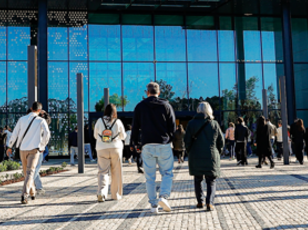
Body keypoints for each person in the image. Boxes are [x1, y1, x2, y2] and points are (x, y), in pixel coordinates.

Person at [131, 81, 176, 213]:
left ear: (147, 92)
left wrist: (134, 142)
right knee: (167, 173)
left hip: (147, 145)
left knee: (150, 177)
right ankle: (163, 196)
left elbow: (135, 127)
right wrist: (170, 139)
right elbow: (172, 126)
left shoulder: (140, 107)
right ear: (159, 92)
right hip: (163, 144)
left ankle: (153, 205)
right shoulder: (166, 105)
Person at [6, 102, 50, 204]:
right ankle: (24, 195)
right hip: (34, 150)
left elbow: (15, 134)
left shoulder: (22, 119)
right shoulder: (41, 120)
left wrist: (10, 146)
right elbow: (47, 134)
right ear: (39, 110)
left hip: (22, 149)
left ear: (31, 108)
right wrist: (42, 146)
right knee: (30, 173)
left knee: (27, 173)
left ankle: (32, 192)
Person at [185, 102, 224, 211]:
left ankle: (200, 202)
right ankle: (210, 203)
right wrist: (217, 152)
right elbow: (221, 142)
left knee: (198, 179)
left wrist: (190, 152)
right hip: (211, 155)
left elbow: (186, 141)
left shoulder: (191, 124)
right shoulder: (214, 124)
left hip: (195, 155)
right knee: (211, 180)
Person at [94, 103, 126, 202]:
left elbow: (95, 135)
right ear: (115, 112)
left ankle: (102, 193)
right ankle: (115, 195)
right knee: (116, 171)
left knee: (102, 171)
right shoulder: (118, 121)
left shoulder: (99, 121)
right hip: (115, 148)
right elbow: (123, 136)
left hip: (101, 149)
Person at [32, 110, 52, 195]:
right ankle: (30, 183)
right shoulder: (41, 121)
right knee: (35, 169)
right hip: (39, 147)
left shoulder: (32, 121)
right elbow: (48, 121)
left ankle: (39, 187)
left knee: (34, 168)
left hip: (32, 146)